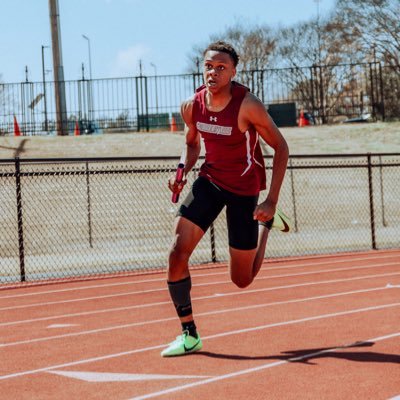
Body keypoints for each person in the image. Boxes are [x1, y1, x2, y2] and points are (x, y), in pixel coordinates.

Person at [162, 41, 290, 357]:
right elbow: (192, 146)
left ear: (233, 72)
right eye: (209, 66)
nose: (213, 72)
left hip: (245, 190)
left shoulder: (249, 106)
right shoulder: (192, 106)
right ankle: (189, 333)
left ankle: (267, 226)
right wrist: (181, 169)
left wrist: (270, 201)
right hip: (211, 181)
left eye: (221, 68)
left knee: (241, 280)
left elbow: (282, 148)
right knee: (177, 253)